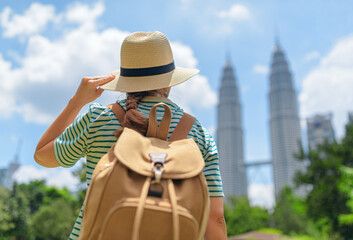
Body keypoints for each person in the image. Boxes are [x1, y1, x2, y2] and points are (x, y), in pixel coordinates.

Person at [34, 31, 227, 240]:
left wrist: (77, 101)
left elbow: (42, 155)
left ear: (126, 79)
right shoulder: (197, 134)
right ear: (168, 81)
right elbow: (215, 218)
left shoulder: (97, 118)